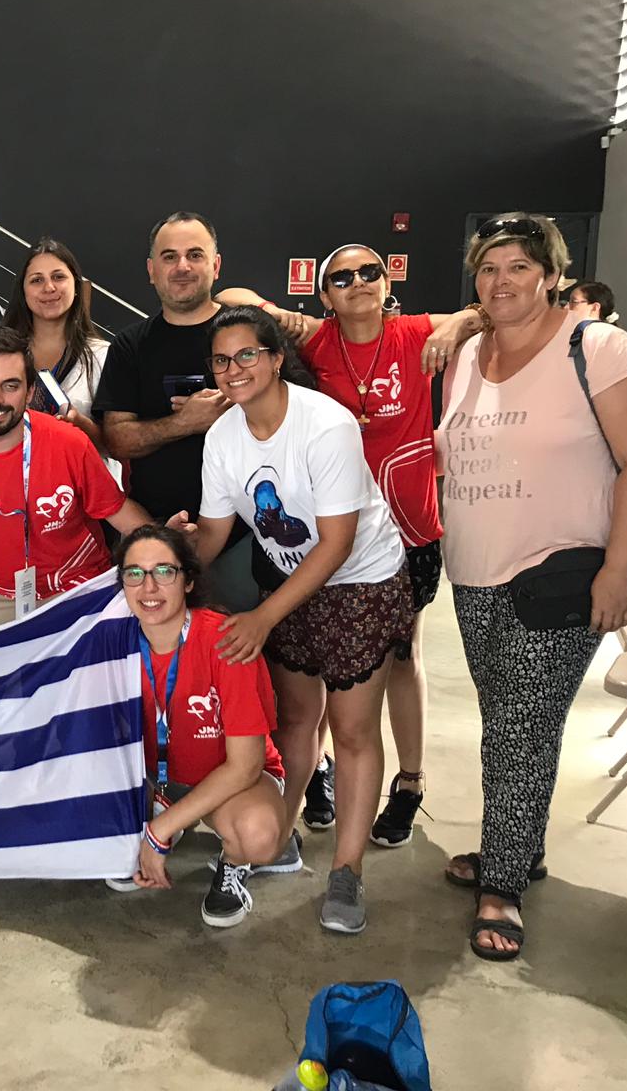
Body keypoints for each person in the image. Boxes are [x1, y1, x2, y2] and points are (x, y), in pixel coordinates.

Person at [438, 213, 627, 960]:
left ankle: (501, 885)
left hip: (559, 573)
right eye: (489, 268)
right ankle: (518, 844)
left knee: (519, 728)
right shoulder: (468, 354)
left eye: (518, 267)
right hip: (474, 573)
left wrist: (619, 571)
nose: (501, 282)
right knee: (510, 723)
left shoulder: (596, 348)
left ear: (550, 274)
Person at [220, 246, 484, 847]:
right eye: (341, 277)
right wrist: (273, 311)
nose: (358, 282)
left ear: (389, 280)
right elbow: (233, 298)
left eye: (370, 272)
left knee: (399, 659)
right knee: (314, 677)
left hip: (406, 526)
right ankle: (317, 777)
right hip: (320, 533)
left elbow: (489, 311)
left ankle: (410, 783)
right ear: (325, 294)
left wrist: (462, 322)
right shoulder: (314, 342)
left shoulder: (419, 333)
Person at [193, 306, 413, 935]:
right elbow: (213, 532)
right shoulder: (223, 436)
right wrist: (166, 569)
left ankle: (347, 869)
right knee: (294, 717)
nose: (234, 369)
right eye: (221, 359)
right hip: (289, 582)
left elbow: (337, 542)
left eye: (246, 355)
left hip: (358, 582)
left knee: (350, 731)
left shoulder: (325, 424)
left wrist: (262, 616)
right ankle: (281, 838)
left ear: (275, 358)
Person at [0, 328, 180, 633]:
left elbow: (117, 511)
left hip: (77, 586)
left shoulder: (68, 442)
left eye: (10, 386)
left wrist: (165, 546)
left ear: (30, 392)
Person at [113, 524, 288, 928]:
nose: (149, 587)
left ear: (189, 580)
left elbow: (244, 766)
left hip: (231, 781)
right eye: (134, 574)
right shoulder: (113, 642)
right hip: (156, 778)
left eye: (164, 572)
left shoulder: (227, 641)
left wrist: (159, 832)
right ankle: (162, 817)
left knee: (258, 834)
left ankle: (234, 862)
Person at [91, 212, 256, 608]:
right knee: (160, 660)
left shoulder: (249, 334)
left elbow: (288, 417)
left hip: (247, 537)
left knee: (242, 655)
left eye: (194, 255)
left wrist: (235, 411)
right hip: (155, 533)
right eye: (169, 257)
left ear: (215, 265)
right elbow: (116, 440)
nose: (182, 266)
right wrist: (184, 423)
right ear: (151, 270)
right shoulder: (130, 346)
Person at [3, 237, 112, 456]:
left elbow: (116, 447)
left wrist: (79, 423)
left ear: (77, 286)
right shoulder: (0, 356)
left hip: (82, 485)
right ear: (23, 292)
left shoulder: (104, 355)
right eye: (36, 280)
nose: (49, 287)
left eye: (58, 277)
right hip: (14, 484)